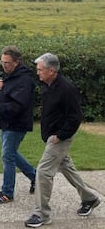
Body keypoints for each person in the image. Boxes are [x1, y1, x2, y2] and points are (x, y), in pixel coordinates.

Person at [25, 53, 101, 228]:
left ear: (52, 71)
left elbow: (75, 118)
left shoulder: (67, 89)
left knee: (43, 172)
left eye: (40, 70)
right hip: (51, 136)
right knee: (66, 166)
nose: (38, 73)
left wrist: (59, 136)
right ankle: (90, 199)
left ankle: (42, 215)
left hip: (60, 138)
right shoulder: (47, 85)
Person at [0, 46, 36, 204]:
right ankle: (36, 177)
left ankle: (7, 193)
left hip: (17, 123)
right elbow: (5, 95)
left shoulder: (24, 80)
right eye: (2, 62)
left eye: (7, 63)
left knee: (7, 156)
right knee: (11, 154)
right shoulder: (8, 76)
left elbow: (18, 106)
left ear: (16, 62)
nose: (4, 65)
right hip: (6, 122)